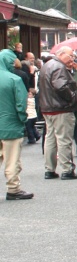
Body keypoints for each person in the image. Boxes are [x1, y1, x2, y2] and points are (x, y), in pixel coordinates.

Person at [37, 46, 77, 180]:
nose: (72, 58)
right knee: (64, 139)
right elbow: (61, 86)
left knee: (50, 138)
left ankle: (49, 169)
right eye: (70, 55)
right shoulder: (59, 67)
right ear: (61, 54)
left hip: (47, 107)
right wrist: (72, 97)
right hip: (60, 107)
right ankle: (67, 169)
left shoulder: (47, 65)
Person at [0, 49, 32, 199]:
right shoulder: (14, 79)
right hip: (11, 125)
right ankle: (13, 189)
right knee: (12, 160)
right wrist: (22, 119)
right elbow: (21, 105)